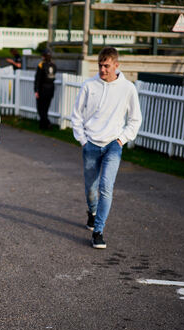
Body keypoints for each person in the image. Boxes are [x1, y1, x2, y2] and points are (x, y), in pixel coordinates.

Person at [71, 46, 142, 249]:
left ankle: (98, 231)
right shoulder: (89, 85)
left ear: (116, 65)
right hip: (91, 143)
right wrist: (83, 140)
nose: (102, 70)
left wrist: (122, 139)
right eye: (100, 65)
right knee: (91, 189)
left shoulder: (127, 88)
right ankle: (92, 213)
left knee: (106, 187)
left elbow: (135, 119)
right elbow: (76, 115)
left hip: (113, 144)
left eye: (106, 66)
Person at [34, 48, 57, 130]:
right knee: (45, 108)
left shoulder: (41, 65)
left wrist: (36, 90)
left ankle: (47, 123)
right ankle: (43, 125)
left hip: (42, 89)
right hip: (51, 89)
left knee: (40, 108)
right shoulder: (53, 65)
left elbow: (37, 78)